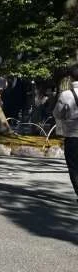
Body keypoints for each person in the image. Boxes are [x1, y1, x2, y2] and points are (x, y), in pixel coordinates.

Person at [53, 65, 78, 199]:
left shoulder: (66, 94)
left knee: (74, 166)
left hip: (72, 136)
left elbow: (57, 113)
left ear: (71, 77)